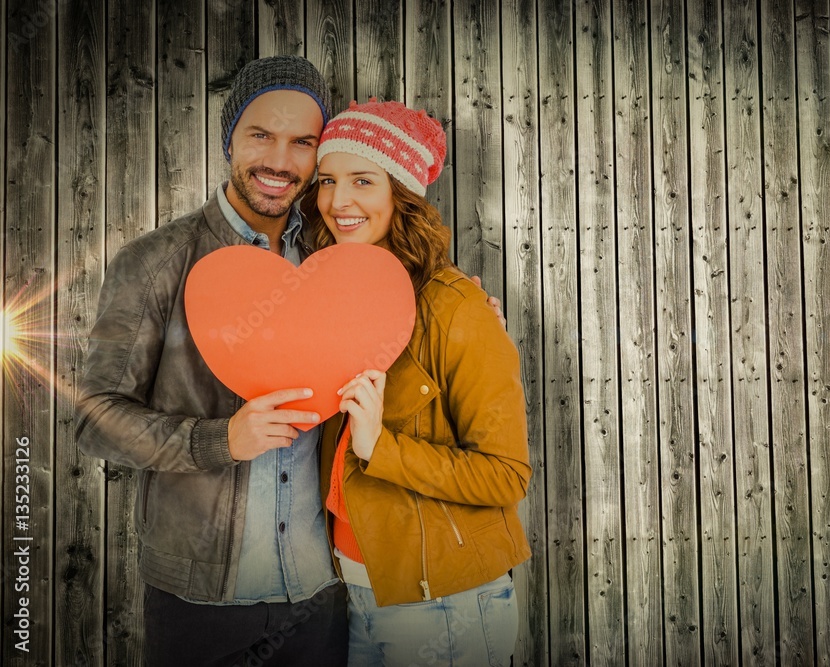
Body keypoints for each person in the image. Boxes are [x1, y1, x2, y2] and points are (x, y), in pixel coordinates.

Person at [75, 55, 346, 666]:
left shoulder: (333, 264)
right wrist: (219, 440)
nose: (281, 160)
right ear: (229, 140)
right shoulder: (155, 262)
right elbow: (94, 417)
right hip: (200, 603)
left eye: (303, 141)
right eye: (261, 135)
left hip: (320, 594)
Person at [306, 99, 531, 666]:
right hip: (359, 588)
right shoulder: (334, 300)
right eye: (328, 180)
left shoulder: (457, 308)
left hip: (445, 605)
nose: (339, 201)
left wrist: (381, 448)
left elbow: (506, 476)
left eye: (363, 180)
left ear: (401, 193)